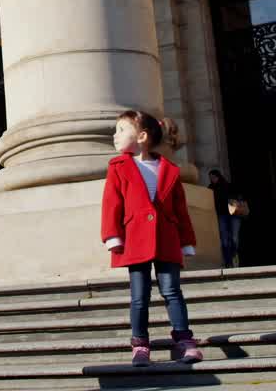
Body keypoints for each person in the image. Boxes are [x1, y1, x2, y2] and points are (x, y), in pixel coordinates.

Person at [101, 110, 203, 366]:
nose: (115, 136)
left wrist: (186, 241)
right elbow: (111, 203)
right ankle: (140, 345)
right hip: (135, 239)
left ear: (142, 136)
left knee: (172, 291)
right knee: (139, 296)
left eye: (121, 130)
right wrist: (113, 236)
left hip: (167, 238)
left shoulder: (169, 169)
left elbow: (180, 208)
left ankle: (184, 341)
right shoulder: (118, 167)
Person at [208, 169, 243, 268]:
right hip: (221, 216)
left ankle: (234, 255)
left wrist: (235, 201)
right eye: (210, 178)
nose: (212, 180)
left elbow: (238, 197)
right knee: (224, 240)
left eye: (213, 177)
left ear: (218, 177)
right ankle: (228, 262)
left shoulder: (229, 186)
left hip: (234, 215)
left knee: (234, 238)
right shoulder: (211, 188)